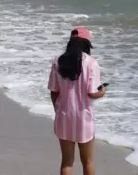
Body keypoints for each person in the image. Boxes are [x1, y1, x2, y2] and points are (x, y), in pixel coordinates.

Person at [48, 27, 107, 175]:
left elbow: (54, 91)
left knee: (67, 162)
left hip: (64, 116)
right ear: (86, 43)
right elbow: (92, 93)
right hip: (84, 118)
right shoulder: (91, 63)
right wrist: (102, 92)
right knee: (88, 161)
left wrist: (58, 110)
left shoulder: (58, 61)